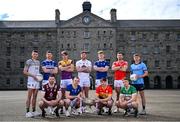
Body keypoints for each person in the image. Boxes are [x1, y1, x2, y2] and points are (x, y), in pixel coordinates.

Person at [23, 50, 41, 118]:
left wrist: (39, 77)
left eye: (36, 54)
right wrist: (33, 76)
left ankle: (34, 111)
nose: (35, 55)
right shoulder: (29, 61)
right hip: (31, 81)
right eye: (34, 54)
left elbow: (37, 72)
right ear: (32, 54)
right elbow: (24, 71)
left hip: (37, 81)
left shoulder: (38, 62)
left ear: (37, 55)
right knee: (29, 97)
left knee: (35, 97)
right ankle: (27, 112)